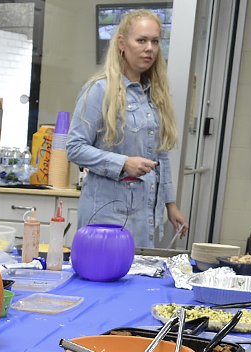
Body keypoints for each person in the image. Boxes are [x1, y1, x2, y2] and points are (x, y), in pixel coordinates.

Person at [66, 9, 187, 248]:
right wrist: (123, 163)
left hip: (146, 216)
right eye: (141, 40)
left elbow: (160, 154)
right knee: (104, 280)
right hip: (106, 217)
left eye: (155, 41)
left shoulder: (154, 95)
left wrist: (170, 205)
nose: (149, 48)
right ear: (122, 43)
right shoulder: (99, 91)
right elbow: (74, 148)